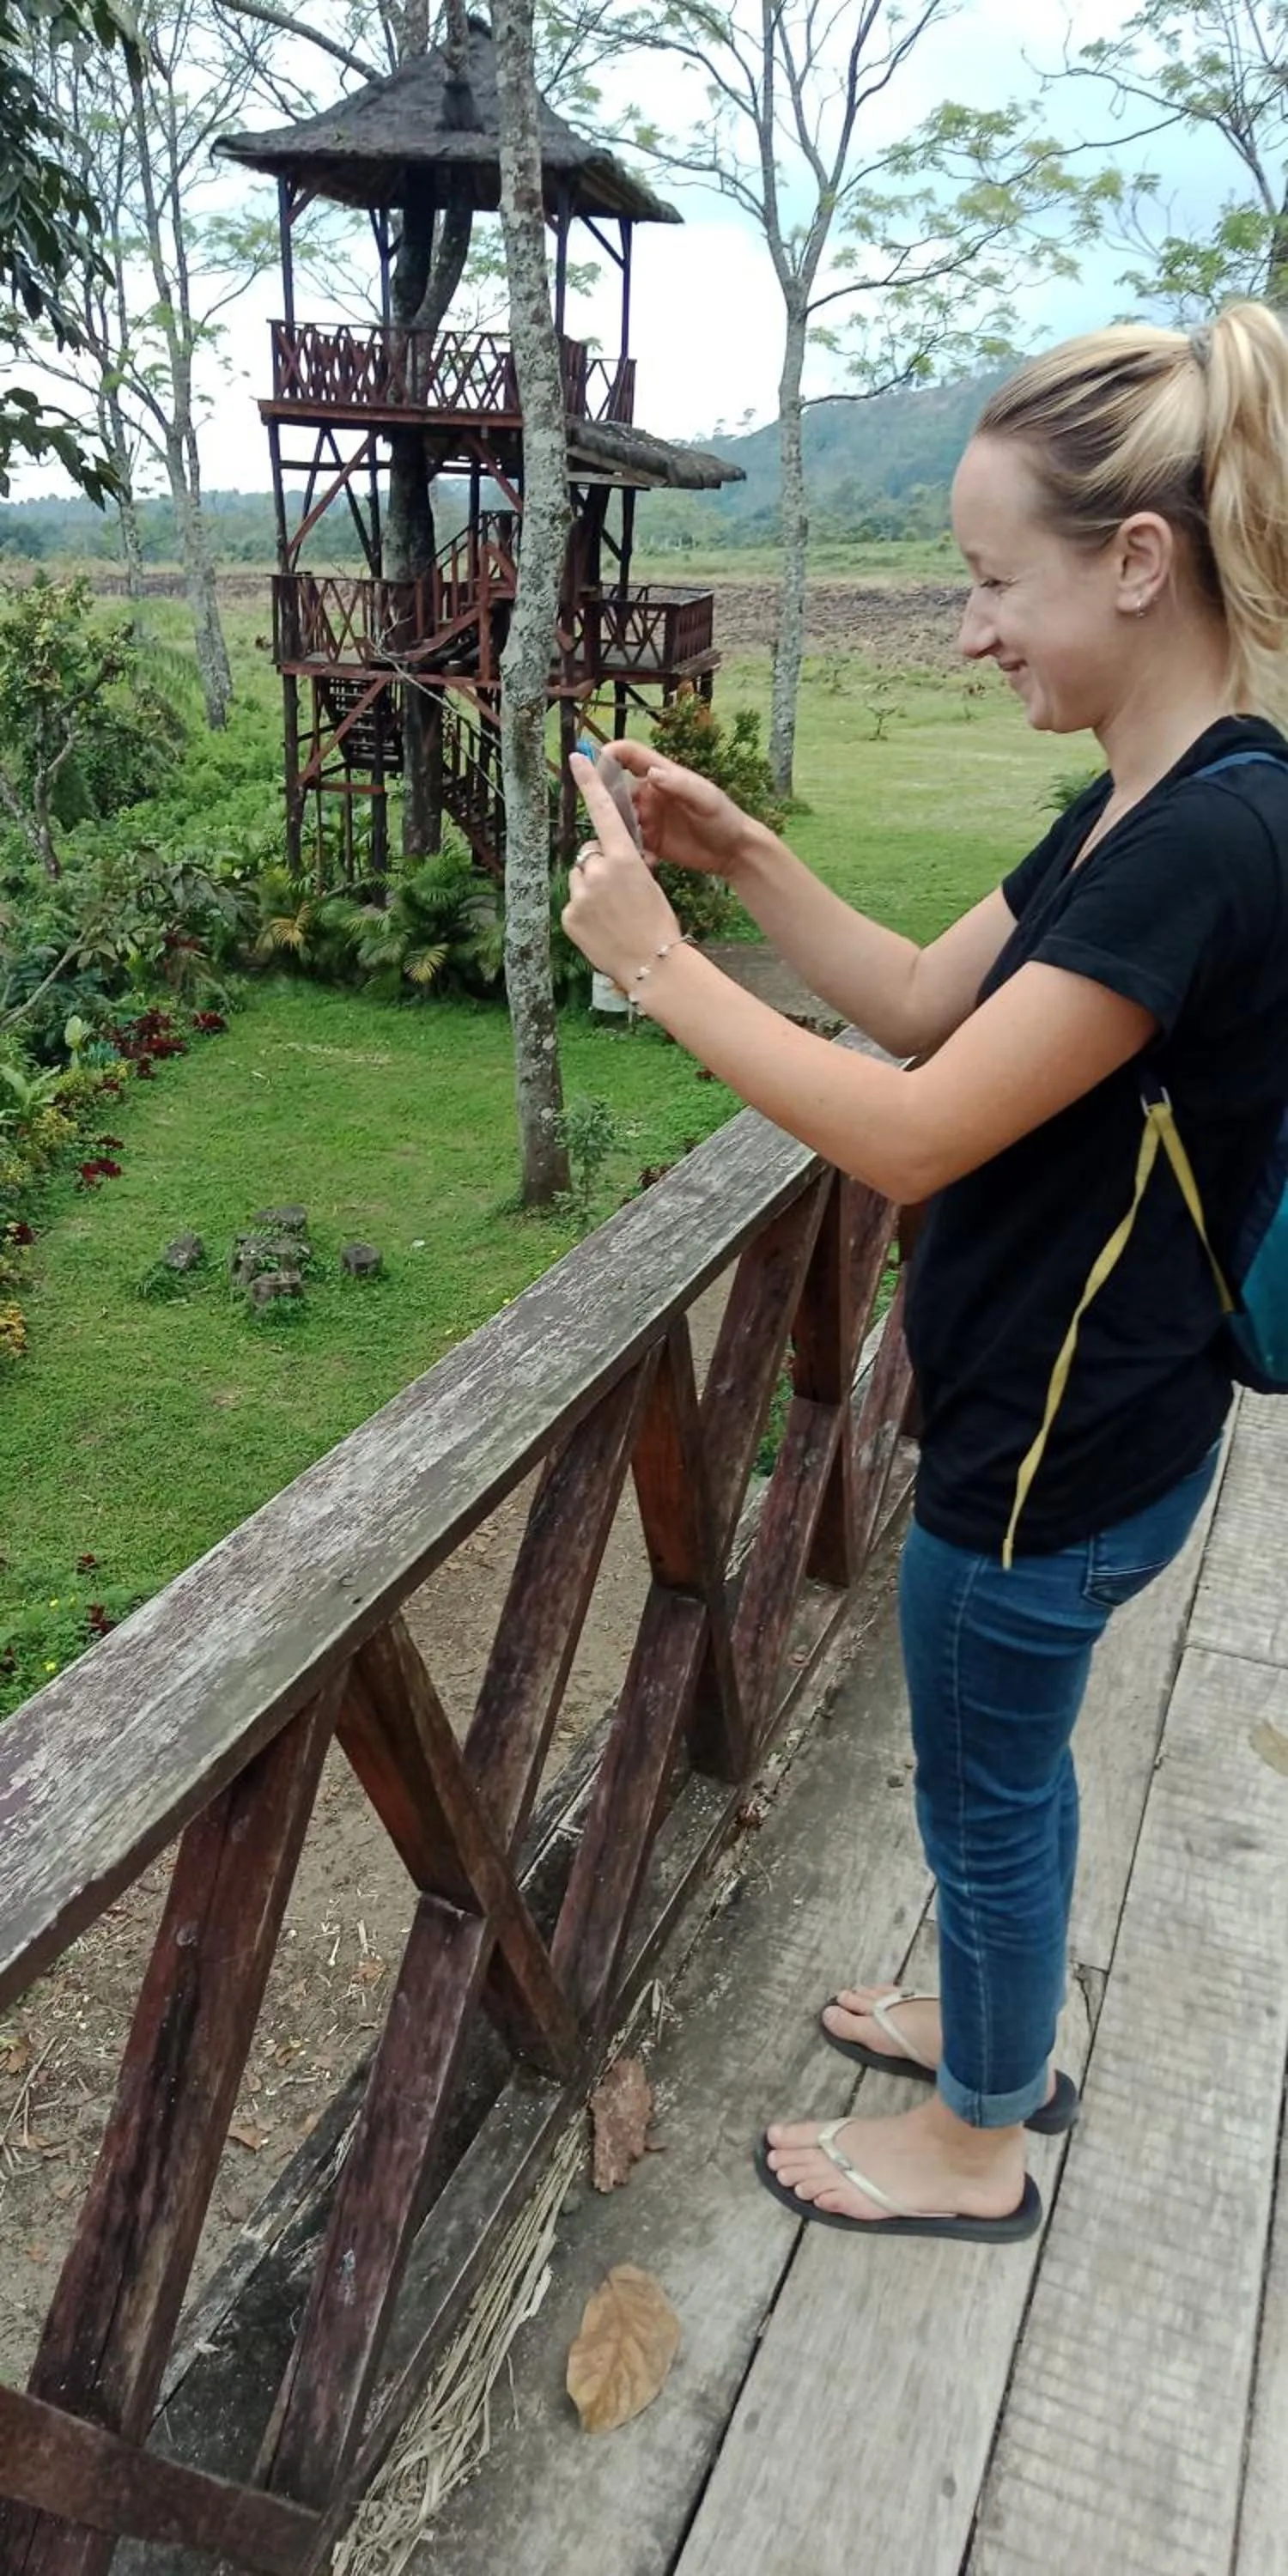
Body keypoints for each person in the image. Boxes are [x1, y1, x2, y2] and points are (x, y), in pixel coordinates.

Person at [562, 301, 1288, 2246]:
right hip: (1110, 1420)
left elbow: (907, 1132)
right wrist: (739, 863)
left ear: (1139, 563)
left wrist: (649, 964)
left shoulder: (1205, 850)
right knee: (1002, 1785)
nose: (968, 632)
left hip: (1053, 1458)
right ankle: (996, 2020)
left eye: (991, 584)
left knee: (985, 1793)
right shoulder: (1156, 802)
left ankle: (982, 2138)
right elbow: (913, 1005)